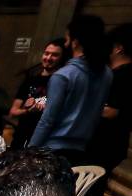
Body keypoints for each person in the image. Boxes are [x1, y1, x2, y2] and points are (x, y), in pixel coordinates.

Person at [75, 23, 132, 196]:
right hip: (111, 143)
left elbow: (112, 111)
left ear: (118, 48)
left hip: (104, 142)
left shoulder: (122, 75)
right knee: (92, 188)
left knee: (89, 189)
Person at [29, 15, 111, 165]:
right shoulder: (107, 74)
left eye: (68, 37)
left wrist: (30, 151)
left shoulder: (64, 75)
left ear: (75, 41)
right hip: (82, 149)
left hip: (52, 148)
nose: (66, 42)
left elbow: (47, 120)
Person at [8, 39, 68, 150]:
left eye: (54, 55)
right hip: (20, 138)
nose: (48, 58)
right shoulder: (30, 80)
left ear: (62, 58)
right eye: (46, 53)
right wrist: (28, 111)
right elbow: (13, 112)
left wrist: (44, 108)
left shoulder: (61, 82)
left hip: (44, 141)